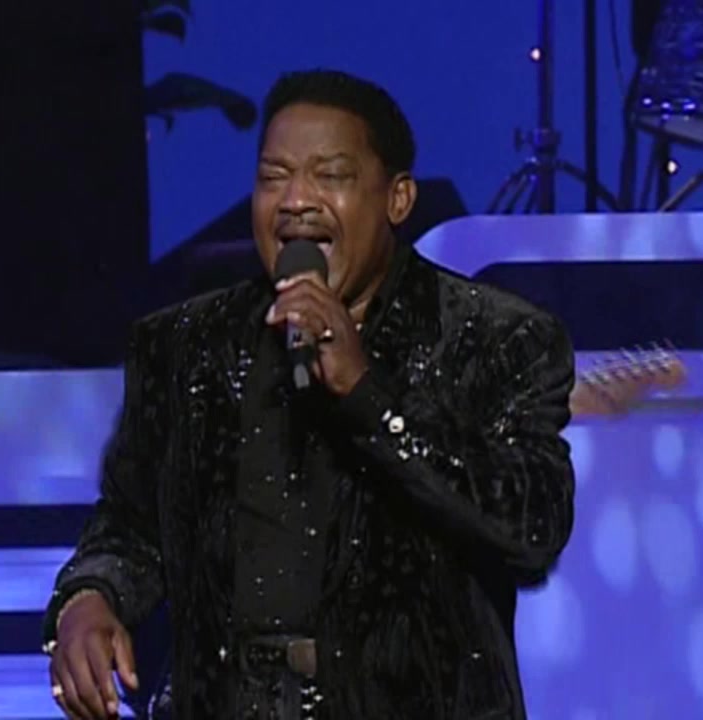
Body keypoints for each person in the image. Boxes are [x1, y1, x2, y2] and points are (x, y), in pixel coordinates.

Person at [42, 68, 578, 720]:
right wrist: (87, 600)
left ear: (398, 199)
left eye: (331, 175)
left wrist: (368, 393)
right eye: (274, 177)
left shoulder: (496, 340)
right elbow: (129, 527)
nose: (296, 200)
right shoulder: (184, 346)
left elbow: (531, 526)